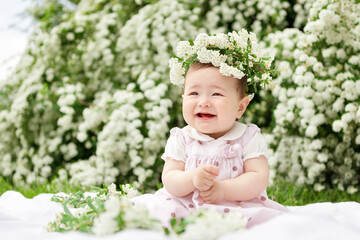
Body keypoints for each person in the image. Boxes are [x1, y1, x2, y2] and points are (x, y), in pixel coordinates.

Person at [132, 30, 289, 228]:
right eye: (194, 93)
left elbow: (258, 178)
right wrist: (192, 178)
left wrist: (223, 190)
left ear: (240, 107)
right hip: (185, 206)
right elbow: (170, 180)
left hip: (236, 208)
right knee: (161, 215)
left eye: (216, 94)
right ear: (183, 98)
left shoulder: (248, 137)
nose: (203, 102)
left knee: (270, 226)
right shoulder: (182, 138)